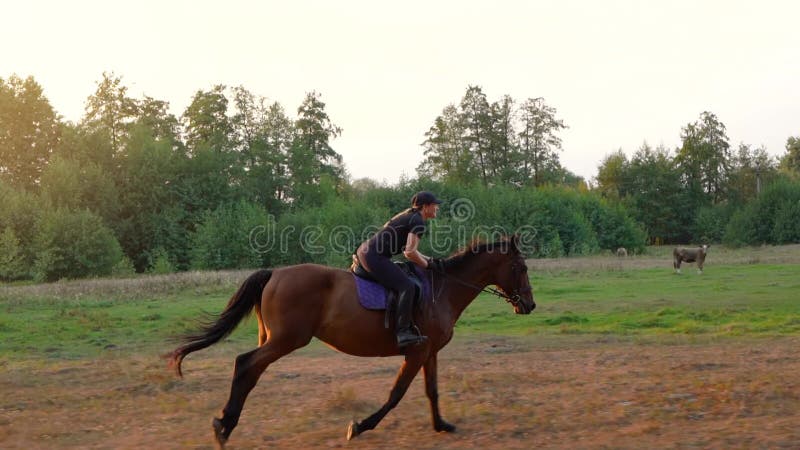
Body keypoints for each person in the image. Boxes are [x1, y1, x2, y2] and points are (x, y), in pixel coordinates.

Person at [355, 191, 443, 348]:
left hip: (368, 252)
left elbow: (408, 250)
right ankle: (403, 332)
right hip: (374, 257)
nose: (437, 208)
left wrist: (429, 260)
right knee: (407, 286)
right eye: (435, 205)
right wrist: (428, 265)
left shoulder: (411, 216)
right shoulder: (418, 221)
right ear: (426, 206)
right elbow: (410, 253)